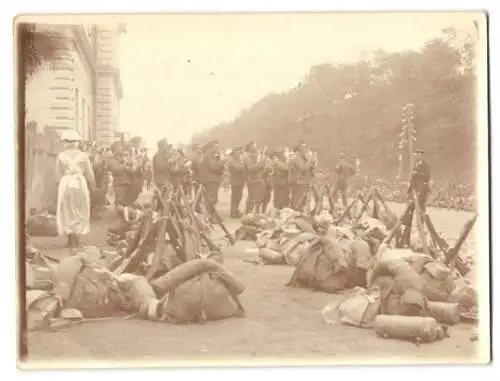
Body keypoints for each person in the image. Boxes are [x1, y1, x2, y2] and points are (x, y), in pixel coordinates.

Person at [55, 129, 96, 248]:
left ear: (66, 142)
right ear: (77, 142)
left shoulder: (61, 156)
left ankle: (70, 239)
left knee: (66, 209)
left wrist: (61, 182)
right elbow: (90, 175)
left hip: (66, 183)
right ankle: (77, 239)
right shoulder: (83, 156)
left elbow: (57, 174)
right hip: (79, 183)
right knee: (80, 209)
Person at [289, 141, 315, 212]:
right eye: (304, 147)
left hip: (303, 182)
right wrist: (310, 160)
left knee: (304, 202)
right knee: (299, 202)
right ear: (299, 149)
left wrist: (311, 161)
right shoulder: (296, 158)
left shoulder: (302, 158)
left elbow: (310, 167)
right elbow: (303, 168)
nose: (306, 149)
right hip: (299, 183)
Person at [199, 140, 225, 210]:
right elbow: (214, 167)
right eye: (216, 146)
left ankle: (209, 214)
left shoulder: (208, 156)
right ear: (211, 147)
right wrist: (222, 160)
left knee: (211, 199)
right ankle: (208, 214)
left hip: (211, 179)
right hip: (211, 180)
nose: (217, 148)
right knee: (212, 199)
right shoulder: (208, 156)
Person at [244, 146, 266, 214]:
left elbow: (261, 169)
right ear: (251, 152)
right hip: (252, 181)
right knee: (251, 198)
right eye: (255, 152)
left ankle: (256, 213)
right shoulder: (247, 159)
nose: (256, 154)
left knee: (258, 198)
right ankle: (248, 212)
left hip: (258, 180)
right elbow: (252, 169)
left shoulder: (256, 159)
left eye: (257, 152)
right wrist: (261, 162)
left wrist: (263, 163)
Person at [227, 146, 246, 218]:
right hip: (235, 181)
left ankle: (235, 211)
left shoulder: (237, 159)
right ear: (234, 152)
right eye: (237, 152)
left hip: (239, 181)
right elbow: (238, 168)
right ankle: (234, 212)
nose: (239, 153)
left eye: (240, 152)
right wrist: (243, 164)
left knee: (238, 197)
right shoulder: (232, 159)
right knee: (235, 197)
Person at [270, 147, 290, 211]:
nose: (285, 154)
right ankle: (278, 211)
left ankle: (279, 210)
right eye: (284, 153)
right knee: (279, 198)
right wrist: (287, 158)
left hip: (281, 182)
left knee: (282, 198)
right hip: (280, 182)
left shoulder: (279, 161)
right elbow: (285, 168)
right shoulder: (277, 161)